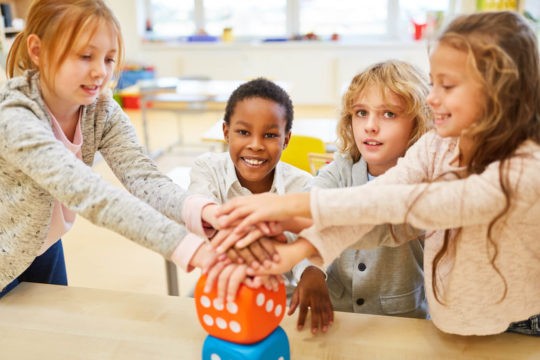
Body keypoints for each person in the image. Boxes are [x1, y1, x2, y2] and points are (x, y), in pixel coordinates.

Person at [214, 11, 540, 336]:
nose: (431, 97)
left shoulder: (527, 168)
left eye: (448, 85)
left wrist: (290, 208)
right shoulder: (434, 148)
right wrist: (298, 252)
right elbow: (375, 205)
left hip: (520, 323)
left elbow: (424, 203)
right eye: (433, 81)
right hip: (458, 322)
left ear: (500, 92)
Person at [0, 0, 264, 298]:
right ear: (37, 51)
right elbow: (89, 193)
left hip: (43, 245)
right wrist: (194, 251)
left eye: (109, 59)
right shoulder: (14, 115)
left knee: (56, 334)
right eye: (86, 56)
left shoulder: (100, 109)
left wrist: (202, 211)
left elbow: (143, 176)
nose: (100, 72)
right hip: (3, 257)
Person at [289, 60, 431, 334]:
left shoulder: (424, 180)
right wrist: (311, 269)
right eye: (361, 113)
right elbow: (307, 212)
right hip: (337, 320)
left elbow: (379, 221)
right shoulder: (342, 168)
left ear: (418, 123)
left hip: (403, 325)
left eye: (388, 114)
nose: (370, 126)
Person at [186, 78, 312, 301]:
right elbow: (198, 218)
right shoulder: (206, 168)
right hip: (222, 291)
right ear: (226, 132)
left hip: (281, 296)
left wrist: (310, 274)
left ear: (286, 139)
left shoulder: (302, 186)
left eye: (270, 135)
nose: (255, 145)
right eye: (243, 132)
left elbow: (310, 242)